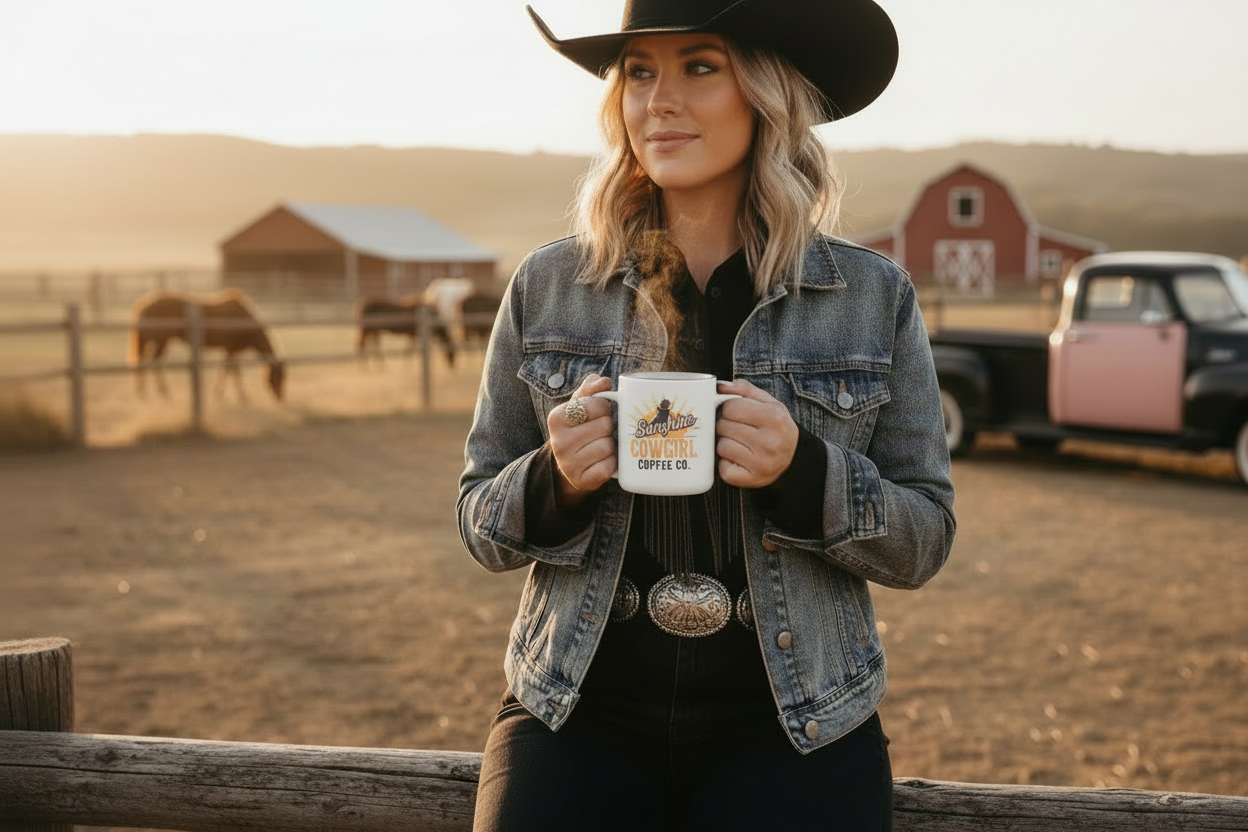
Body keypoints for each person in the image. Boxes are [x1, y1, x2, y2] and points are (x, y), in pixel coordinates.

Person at [457, 1, 955, 829]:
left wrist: (806, 474)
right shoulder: (547, 287)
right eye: (640, 72)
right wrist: (556, 480)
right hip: (576, 708)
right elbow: (479, 522)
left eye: (699, 66)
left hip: (799, 723)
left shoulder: (873, 298)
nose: (660, 99)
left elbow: (924, 539)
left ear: (767, 94)